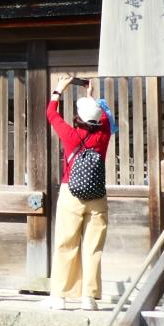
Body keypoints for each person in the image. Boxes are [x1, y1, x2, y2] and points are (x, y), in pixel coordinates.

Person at [47, 77, 113, 311]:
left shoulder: (70, 135)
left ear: (78, 117)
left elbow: (51, 114)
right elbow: (105, 116)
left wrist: (59, 89)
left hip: (71, 193)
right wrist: (91, 95)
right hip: (97, 196)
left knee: (66, 244)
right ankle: (89, 298)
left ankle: (60, 296)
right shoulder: (104, 134)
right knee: (93, 248)